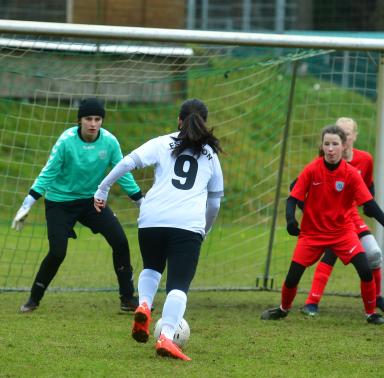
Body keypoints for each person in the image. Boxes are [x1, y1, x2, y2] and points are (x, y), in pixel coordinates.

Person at [94, 98, 225, 361]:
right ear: (204, 123)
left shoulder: (162, 142)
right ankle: (166, 337)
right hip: (187, 224)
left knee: (152, 267)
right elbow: (214, 203)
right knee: (178, 284)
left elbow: (127, 162)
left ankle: (143, 305)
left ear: (179, 120)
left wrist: (103, 188)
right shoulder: (210, 155)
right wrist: (205, 230)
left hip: (151, 219)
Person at [260, 125, 384, 325]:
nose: (331, 149)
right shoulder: (312, 169)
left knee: (365, 270)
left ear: (344, 146)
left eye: (335, 144)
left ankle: (371, 314)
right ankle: (283, 309)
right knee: (292, 277)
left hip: (343, 232)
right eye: (327, 144)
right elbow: (292, 198)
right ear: (322, 146)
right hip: (312, 234)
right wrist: (290, 220)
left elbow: (370, 204)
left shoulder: (351, 173)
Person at [12, 97, 144, 313]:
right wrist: (27, 204)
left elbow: (123, 174)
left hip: (91, 201)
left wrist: (141, 202)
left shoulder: (110, 142)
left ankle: (128, 298)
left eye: (97, 119)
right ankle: (33, 299)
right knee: (57, 253)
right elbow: (47, 173)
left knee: (120, 242)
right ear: (79, 120)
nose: (93, 123)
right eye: (88, 119)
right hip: (60, 202)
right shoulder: (66, 142)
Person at [300, 117, 384, 316]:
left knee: (374, 254)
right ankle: (311, 302)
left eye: (345, 134)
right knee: (330, 254)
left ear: (353, 137)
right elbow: (299, 187)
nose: (339, 138)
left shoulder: (365, 159)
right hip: (330, 221)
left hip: (351, 216)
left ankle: (377, 298)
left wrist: (370, 203)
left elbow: (368, 184)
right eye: (337, 133)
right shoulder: (325, 160)